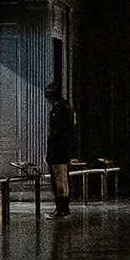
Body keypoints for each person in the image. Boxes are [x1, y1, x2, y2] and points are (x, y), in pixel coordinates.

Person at [44, 82, 77, 218]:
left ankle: (61, 208)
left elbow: (57, 133)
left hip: (58, 150)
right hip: (63, 150)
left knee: (59, 180)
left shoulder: (59, 110)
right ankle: (63, 207)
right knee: (63, 179)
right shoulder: (66, 108)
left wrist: (51, 149)